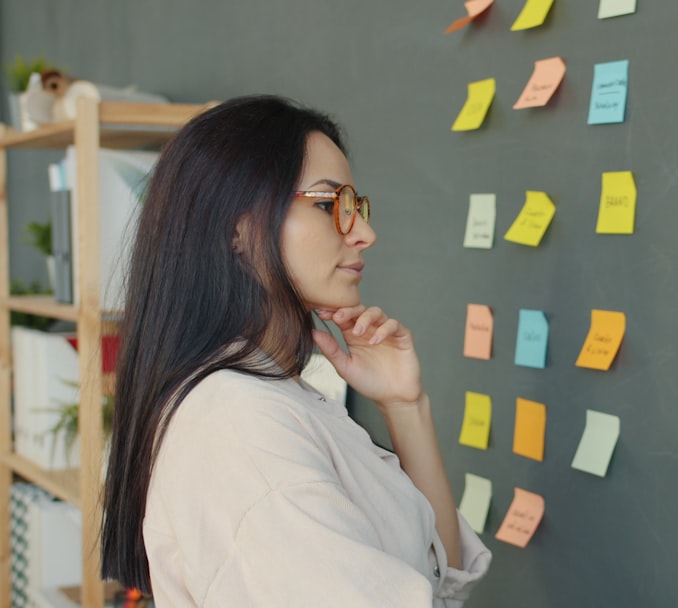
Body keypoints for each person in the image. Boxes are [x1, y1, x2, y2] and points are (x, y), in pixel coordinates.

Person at [101, 95, 491, 606]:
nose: (365, 233)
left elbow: (441, 578)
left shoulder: (271, 394)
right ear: (237, 230)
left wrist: (405, 406)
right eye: (331, 205)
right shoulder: (240, 426)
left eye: (357, 207)